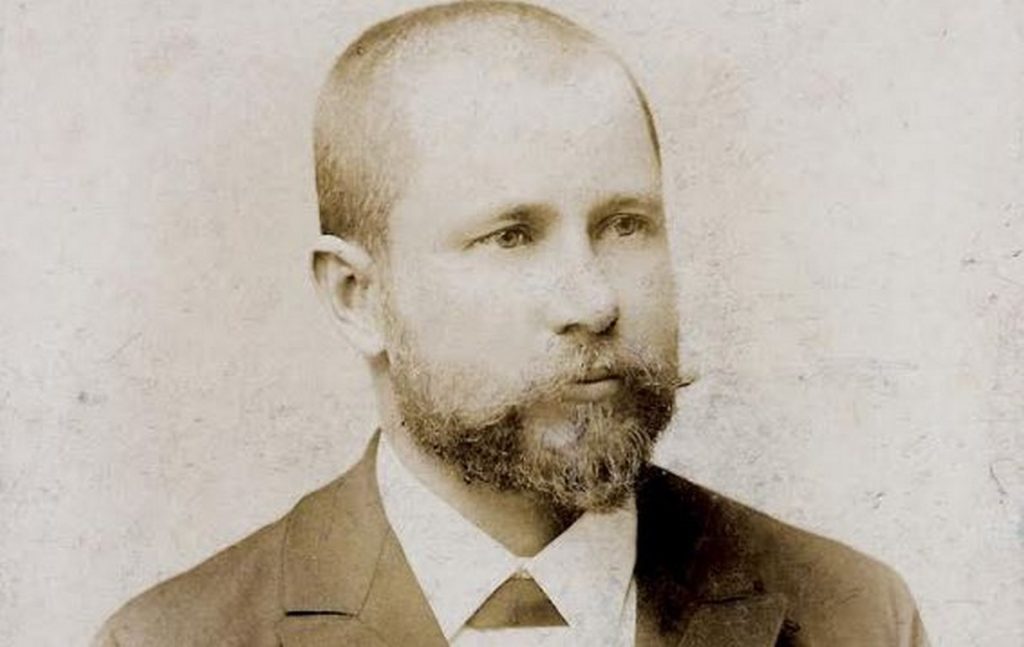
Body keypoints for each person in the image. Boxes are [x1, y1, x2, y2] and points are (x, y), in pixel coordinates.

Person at [95, 2, 929, 645]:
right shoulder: (174, 638)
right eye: (512, 236)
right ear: (357, 295)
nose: (593, 301)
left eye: (625, 224)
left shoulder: (856, 616)